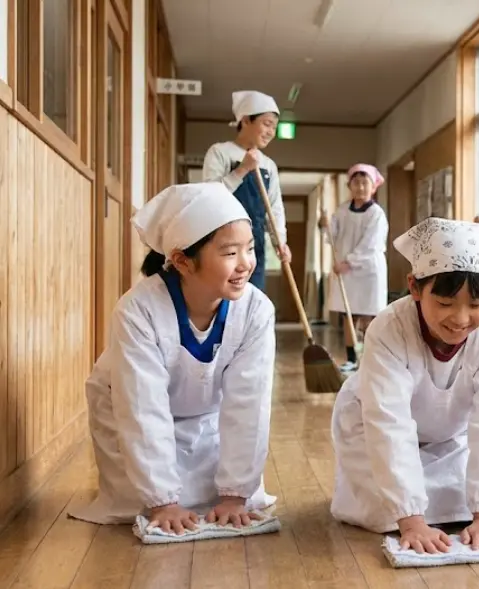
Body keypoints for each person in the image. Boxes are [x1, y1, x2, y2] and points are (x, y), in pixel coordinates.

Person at [69, 182, 277, 534]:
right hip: (126, 417)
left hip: (203, 414)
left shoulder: (256, 310)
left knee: (222, 498)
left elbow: (249, 402)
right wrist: (162, 500)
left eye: (251, 249)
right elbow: (141, 406)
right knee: (141, 504)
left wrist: (236, 494)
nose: (246, 264)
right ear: (181, 259)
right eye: (229, 253)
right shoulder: (138, 311)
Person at [329, 218, 479, 553]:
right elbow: (388, 422)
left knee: (463, 506)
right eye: (446, 304)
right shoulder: (389, 328)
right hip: (369, 430)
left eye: (476, 305)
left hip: (447, 436)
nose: (461, 319)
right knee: (383, 513)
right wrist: (412, 521)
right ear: (415, 288)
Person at [202, 90, 290, 290]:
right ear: (246, 120)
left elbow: (274, 208)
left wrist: (280, 242)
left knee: (252, 296)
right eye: (266, 124)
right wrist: (242, 169)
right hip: (222, 237)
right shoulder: (220, 152)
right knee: (224, 295)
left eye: (274, 127)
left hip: (254, 241)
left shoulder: (268, 165)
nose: (271, 132)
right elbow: (209, 197)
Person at [319, 163, 389, 374]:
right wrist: (325, 225)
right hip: (345, 272)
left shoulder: (376, 214)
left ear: (373, 187)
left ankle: (369, 358)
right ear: (350, 185)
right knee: (348, 315)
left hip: (367, 272)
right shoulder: (342, 210)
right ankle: (350, 358)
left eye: (364, 183)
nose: (360, 187)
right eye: (356, 183)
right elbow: (333, 236)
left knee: (368, 316)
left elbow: (371, 244)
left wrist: (348, 262)